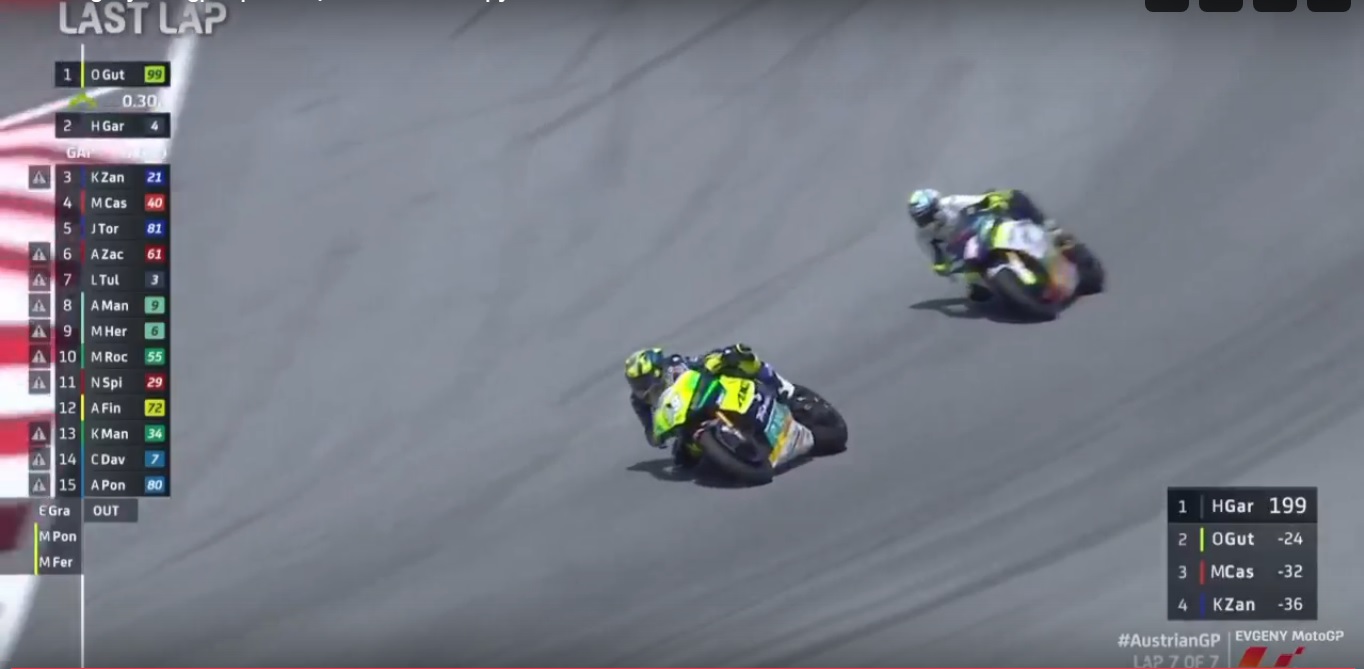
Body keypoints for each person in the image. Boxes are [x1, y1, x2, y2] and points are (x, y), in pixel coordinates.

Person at [623, 344, 796, 470]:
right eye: (634, 383)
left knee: (739, 358)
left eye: (642, 380)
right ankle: (725, 458)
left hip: (703, 394)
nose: (639, 387)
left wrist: (718, 359)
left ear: (656, 371)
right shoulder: (638, 401)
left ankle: (781, 387)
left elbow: (699, 362)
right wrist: (658, 437)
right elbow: (649, 430)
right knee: (683, 461)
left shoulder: (674, 364)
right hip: (681, 418)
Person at [907, 188, 1072, 301]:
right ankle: (1008, 291)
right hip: (964, 253)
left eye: (927, 216)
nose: (925, 222)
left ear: (937, 207)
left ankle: (1052, 229)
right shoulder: (923, 236)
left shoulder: (951, 202)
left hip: (979, 229)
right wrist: (942, 267)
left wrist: (993, 200)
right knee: (979, 295)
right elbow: (936, 258)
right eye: (920, 219)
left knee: (1017, 197)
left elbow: (981, 200)